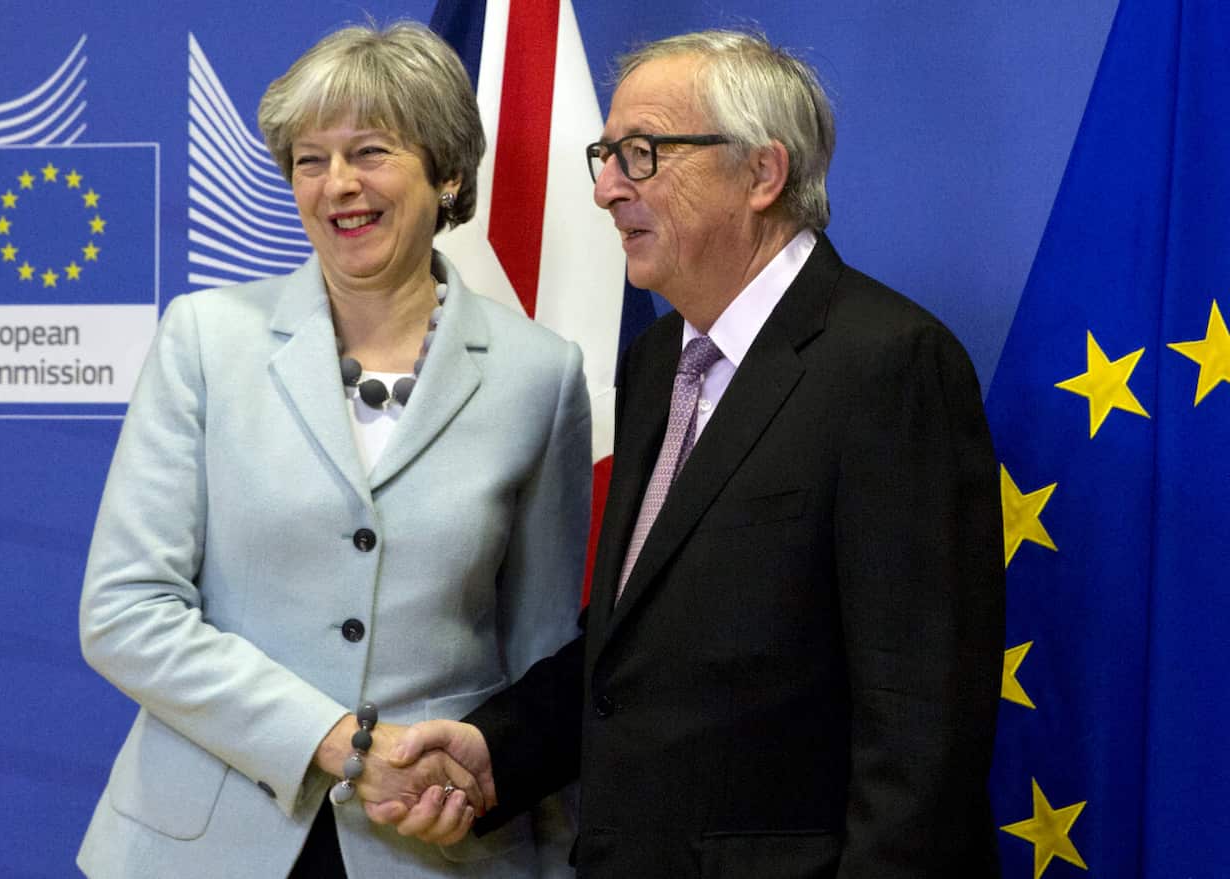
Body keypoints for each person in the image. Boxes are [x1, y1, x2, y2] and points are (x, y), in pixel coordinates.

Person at [377, 28, 1006, 878]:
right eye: (605, 154)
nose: (603, 189)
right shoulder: (656, 360)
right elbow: (641, 649)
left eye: (641, 154)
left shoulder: (889, 366)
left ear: (762, 173)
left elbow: (921, 731)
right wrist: (501, 749)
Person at [76, 21, 589, 879]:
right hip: (203, 840)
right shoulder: (205, 340)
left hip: (438, 846)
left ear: (448, 172)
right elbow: (126, 610)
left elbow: (541, 664)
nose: (337, 185)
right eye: (310, 160)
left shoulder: (542, 376)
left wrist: (557, 855)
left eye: (371, 151)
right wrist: (338, 741)